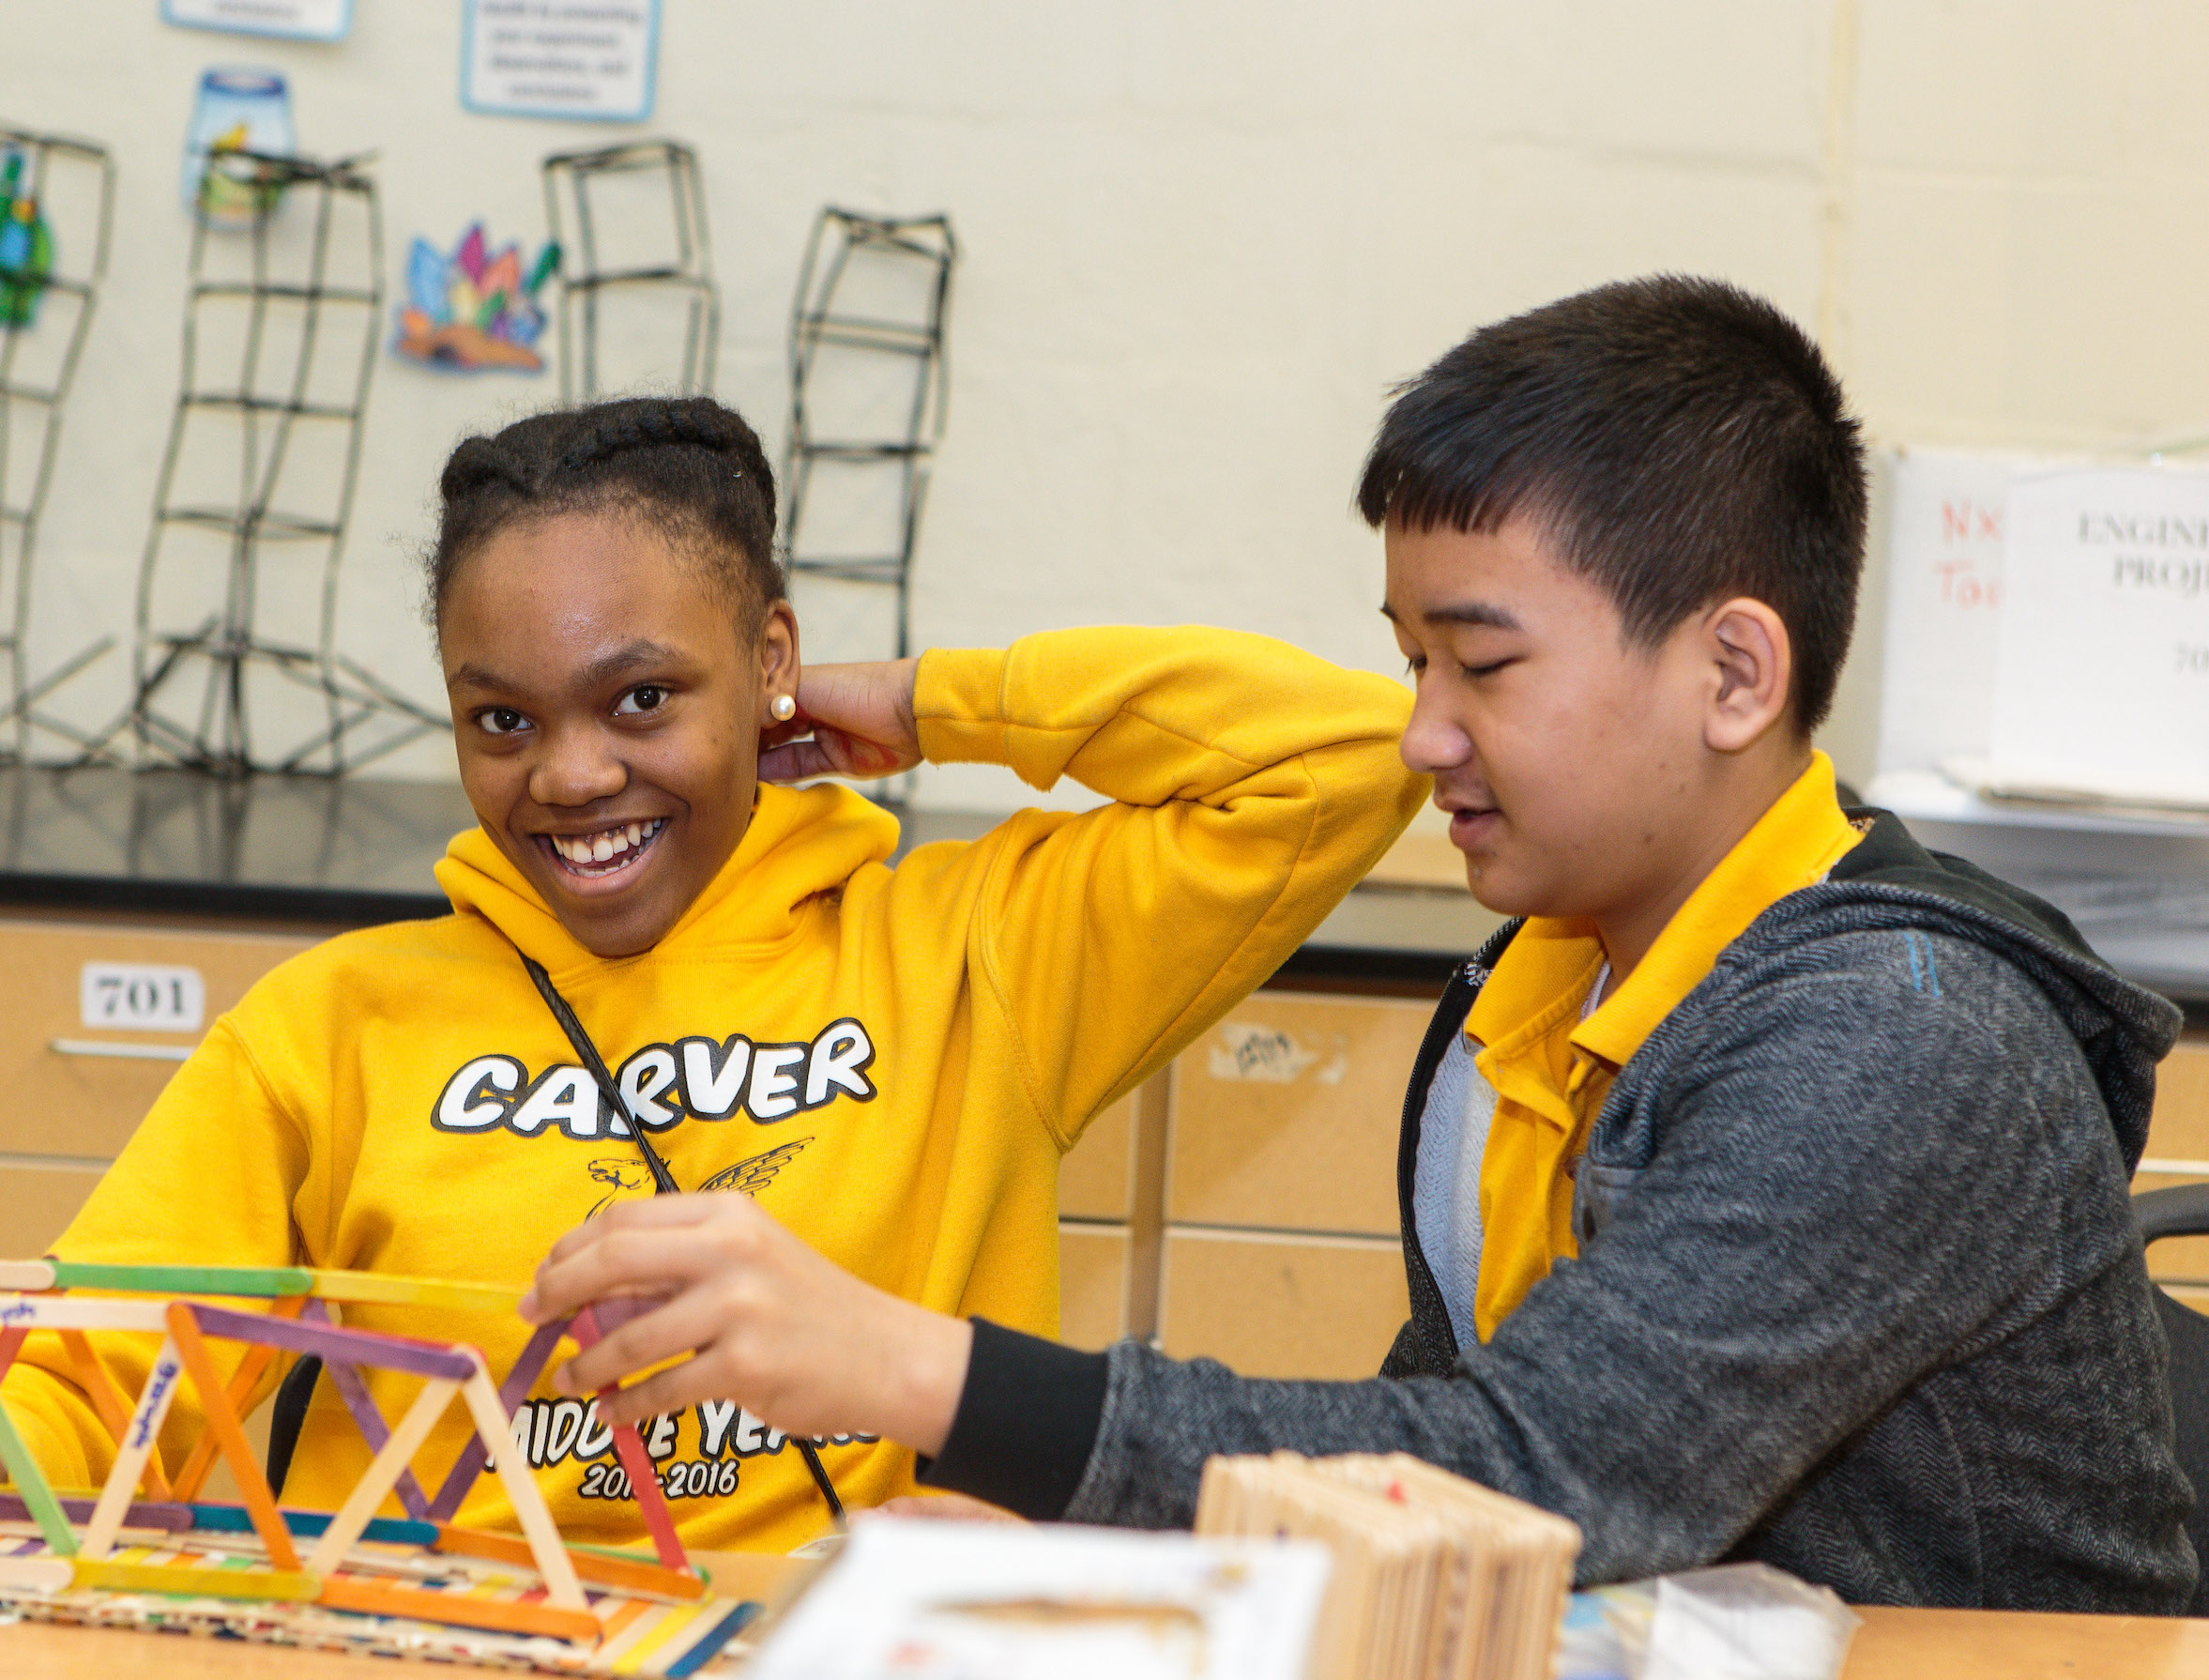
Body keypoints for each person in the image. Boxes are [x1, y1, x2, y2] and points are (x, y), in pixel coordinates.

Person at [524, 283, 2201, 1611]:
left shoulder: (1895, 1043)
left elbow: (1526, 1472)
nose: (1418, 737)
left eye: (1481, 665)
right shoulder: (1534, 977)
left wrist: (911, 1369)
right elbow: (1438, 1417)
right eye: (1409, 660)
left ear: (1734, 676)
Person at [0, 396, 1424, 1554]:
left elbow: (1350, 753)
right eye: (499, 717)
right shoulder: (329, 1024)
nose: (568, 774)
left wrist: (925, 701)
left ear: (769, 660)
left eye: (642, 697)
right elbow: (86, 1373)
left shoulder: (977, 954)